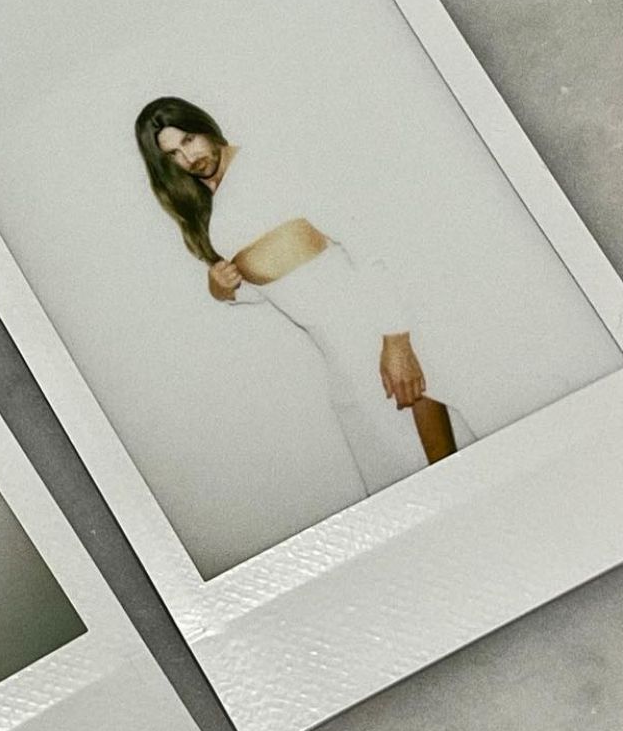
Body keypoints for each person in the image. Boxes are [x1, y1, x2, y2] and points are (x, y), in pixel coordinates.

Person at [134, 97, 475, 495]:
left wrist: (397, 339)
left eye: (190, 140)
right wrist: (223, 290)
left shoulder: (272, 165)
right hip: (342, 362)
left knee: (451, 481)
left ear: (204, 126)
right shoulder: (212, 210)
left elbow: (366, 242)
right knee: (403, 491)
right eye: (174, 154)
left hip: (379, 333)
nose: (189, 157)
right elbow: (276, 284)